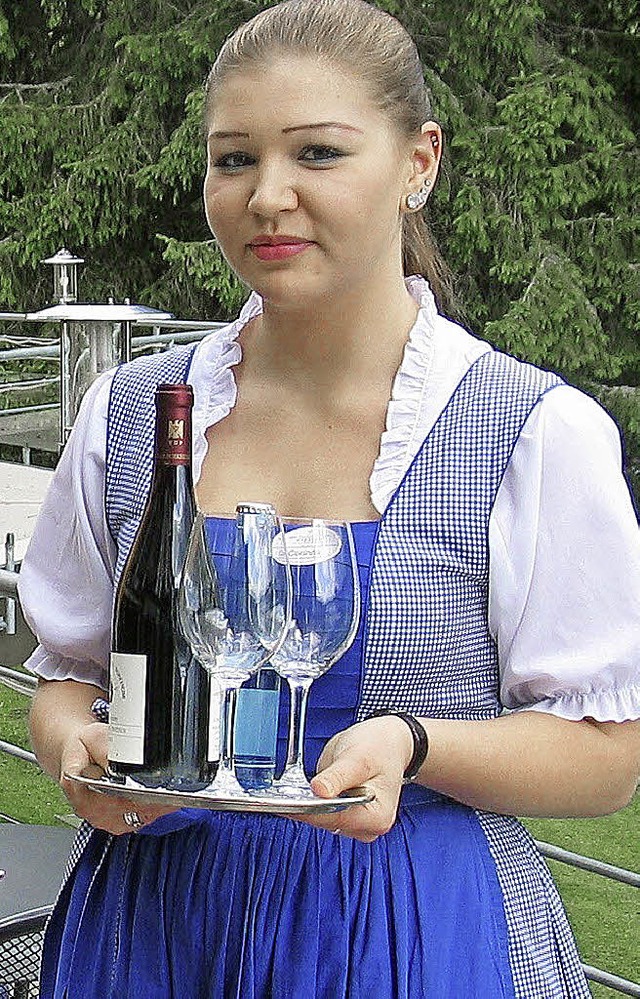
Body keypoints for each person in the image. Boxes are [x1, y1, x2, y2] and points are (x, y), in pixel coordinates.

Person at [19, 0, 640, 995]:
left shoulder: (531, 434)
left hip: (408, 931)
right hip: (153, 928)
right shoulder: (134, 413)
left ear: (418, 163)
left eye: (316, 153)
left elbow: (607, 757)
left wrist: (416, 742)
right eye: (233, 159)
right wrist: (75, 750)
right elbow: (66, 674)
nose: (267, 195)